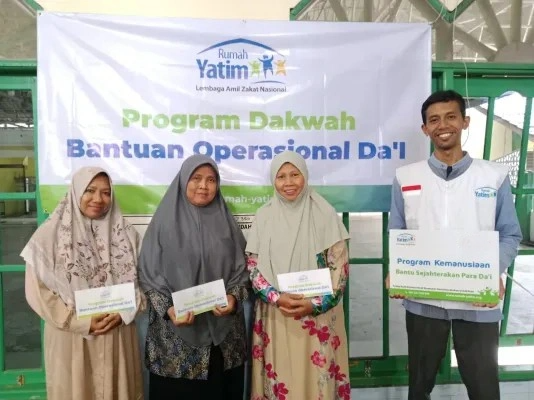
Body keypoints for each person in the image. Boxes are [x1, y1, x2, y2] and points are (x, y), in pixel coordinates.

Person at [387, 90, 522, 400]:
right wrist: (397, 269)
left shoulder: (493, 177)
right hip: (424, 301)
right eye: (434, 120)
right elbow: (398, 231)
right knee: (419, 387)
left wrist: (492, 271)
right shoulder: (406, 177)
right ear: (425, 129)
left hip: (478, 301)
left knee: (484, 388)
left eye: (450, 117)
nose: (443, 125)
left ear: (465, 121)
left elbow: (510, 234)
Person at [22, 166, 145, 400]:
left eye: (106, 193)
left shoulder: (127, 235)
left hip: (117, 334)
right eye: (90, 190)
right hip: (72, 338)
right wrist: (79, 322)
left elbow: (144, 283)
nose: (98, 199)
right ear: (76, 191)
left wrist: (124, 313)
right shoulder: (49, 237)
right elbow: (37, 292)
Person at [138, 154, 249, 400]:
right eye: (196, 178)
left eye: (211, 180)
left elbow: (243, 271)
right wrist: (168, 309)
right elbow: (148, 275)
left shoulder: (226, 223)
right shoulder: (163, 223)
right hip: (175, 343)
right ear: (183, 180)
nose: (203, 186)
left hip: (223, 340)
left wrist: (233, 298)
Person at [246, 151, 351, 400]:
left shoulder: (324, 214)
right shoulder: (264, 216)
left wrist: (314, 304)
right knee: (282, 376)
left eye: (295, 174)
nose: (288, 182)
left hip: (318, 317)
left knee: (316, 380)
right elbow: (253, 267)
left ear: (305, 175)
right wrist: (276, 297)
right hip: (277, 314)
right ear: (273, 180)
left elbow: (340, 269)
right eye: (281, 176)